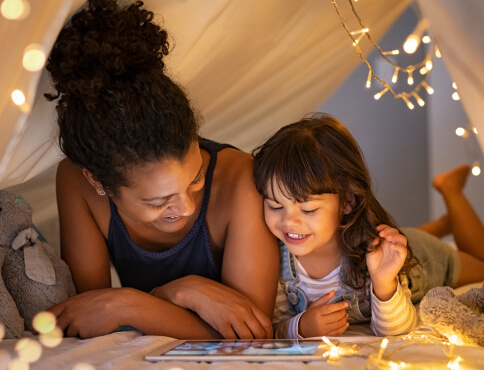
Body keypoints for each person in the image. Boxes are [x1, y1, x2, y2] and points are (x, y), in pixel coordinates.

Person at [44, 0, 279, 339]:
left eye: (196, 178)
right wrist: (166, 297)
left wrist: (139, 301)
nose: (186, 206)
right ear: (99, 182)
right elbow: (91, 315)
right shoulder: (74, 181)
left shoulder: (241, 177)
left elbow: (252, 335)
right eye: (158, 201)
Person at [252, 113, 484, 339]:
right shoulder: (275, 261)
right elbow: (273, 326)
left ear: (347, 202)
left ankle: (451, 191)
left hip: (422, 258)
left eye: (308, 210)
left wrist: (384, 283)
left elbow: (397, 329)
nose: (288, 221)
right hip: (389, 240)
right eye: (274, 206)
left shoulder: (372, 254)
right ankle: (446, 223)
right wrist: (300, 327)